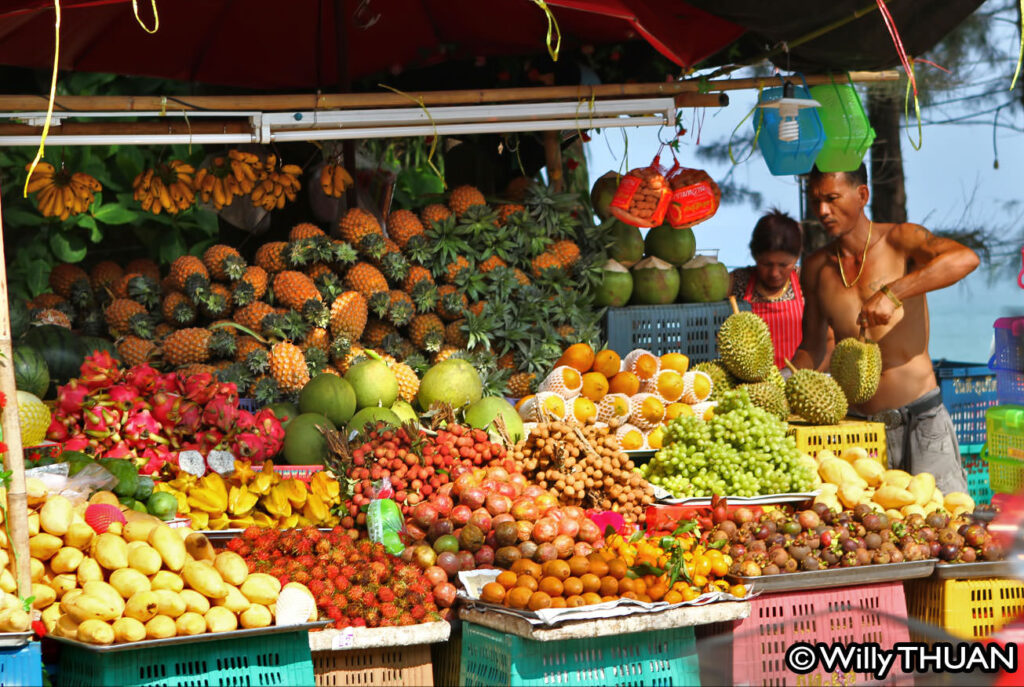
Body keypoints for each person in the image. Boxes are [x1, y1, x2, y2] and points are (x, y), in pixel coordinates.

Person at [792, 164, 980, 493]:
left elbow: (965, 259)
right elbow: (815, 347)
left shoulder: (901, 239)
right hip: (858, 432)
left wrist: (894, 293)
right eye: (816, 200)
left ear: (862, 194)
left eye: (832, 198)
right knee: (873, 538)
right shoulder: (816, 268)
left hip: (922, 423)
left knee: (947, 526)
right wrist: (780, 380)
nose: (822, 210)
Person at [729, 210, 806, 370]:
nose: (774, 273)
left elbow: (827, 341)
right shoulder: (737, 283)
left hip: (798, 383)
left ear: (797, 256)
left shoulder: (805, 282)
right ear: (754, 255)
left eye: (784, 265)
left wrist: (793, 377)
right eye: (766, 264)